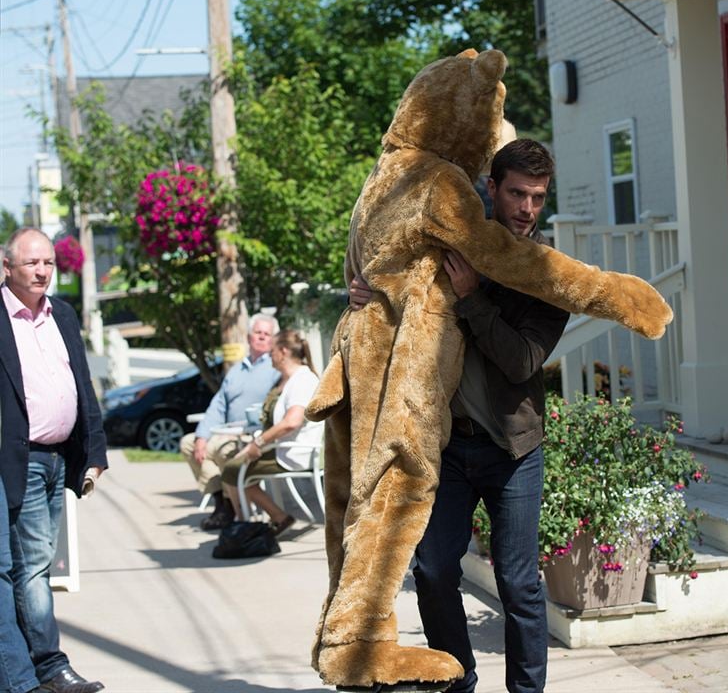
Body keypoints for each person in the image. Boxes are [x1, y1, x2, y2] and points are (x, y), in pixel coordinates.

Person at [348, 139, 568, 693]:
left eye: (537, 198)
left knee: (518, 585)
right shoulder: (449, 247)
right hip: (447, 447)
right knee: (434, 569)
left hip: (513, 450)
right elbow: (398, 290)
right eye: (516, 193)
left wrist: (472, 298)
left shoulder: (547, 273)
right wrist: (365, 295)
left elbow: (522, 361)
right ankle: (458, 681)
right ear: (491, 189)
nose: (526, 208)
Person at [0, 227, 106, 693]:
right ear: (8, 268)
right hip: (12, 460)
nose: (43, 271)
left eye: (48, 263)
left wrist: (94, 452)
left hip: (56, 459)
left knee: (34, 565)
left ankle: (41, 668)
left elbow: (83, 387)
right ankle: (32, 673)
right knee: (18, 566)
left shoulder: (61, 313)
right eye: (32, 263)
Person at [179, 312, 280, 530]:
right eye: (258, 332)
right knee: (188, 443)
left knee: (225, 451)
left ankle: (232, 508)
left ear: (274, 339)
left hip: (251, 436)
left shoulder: (276, 368)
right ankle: (222, 502)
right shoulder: (237, 369)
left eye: (267, 334)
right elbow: (219, 405)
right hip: (224, 432)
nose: (262, 337)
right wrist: (201, 436)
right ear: (249, 336)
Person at [220, 329, 323, 534]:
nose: (268, 355)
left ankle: (246, 527)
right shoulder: (287, 379)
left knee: (233, 469)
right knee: (234, 463)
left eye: (272, 350)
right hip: (281, 447)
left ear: (283, 351)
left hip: (294, 451)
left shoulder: (303, 380)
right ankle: (265, 519)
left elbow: (291, 422)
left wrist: (258, 443)